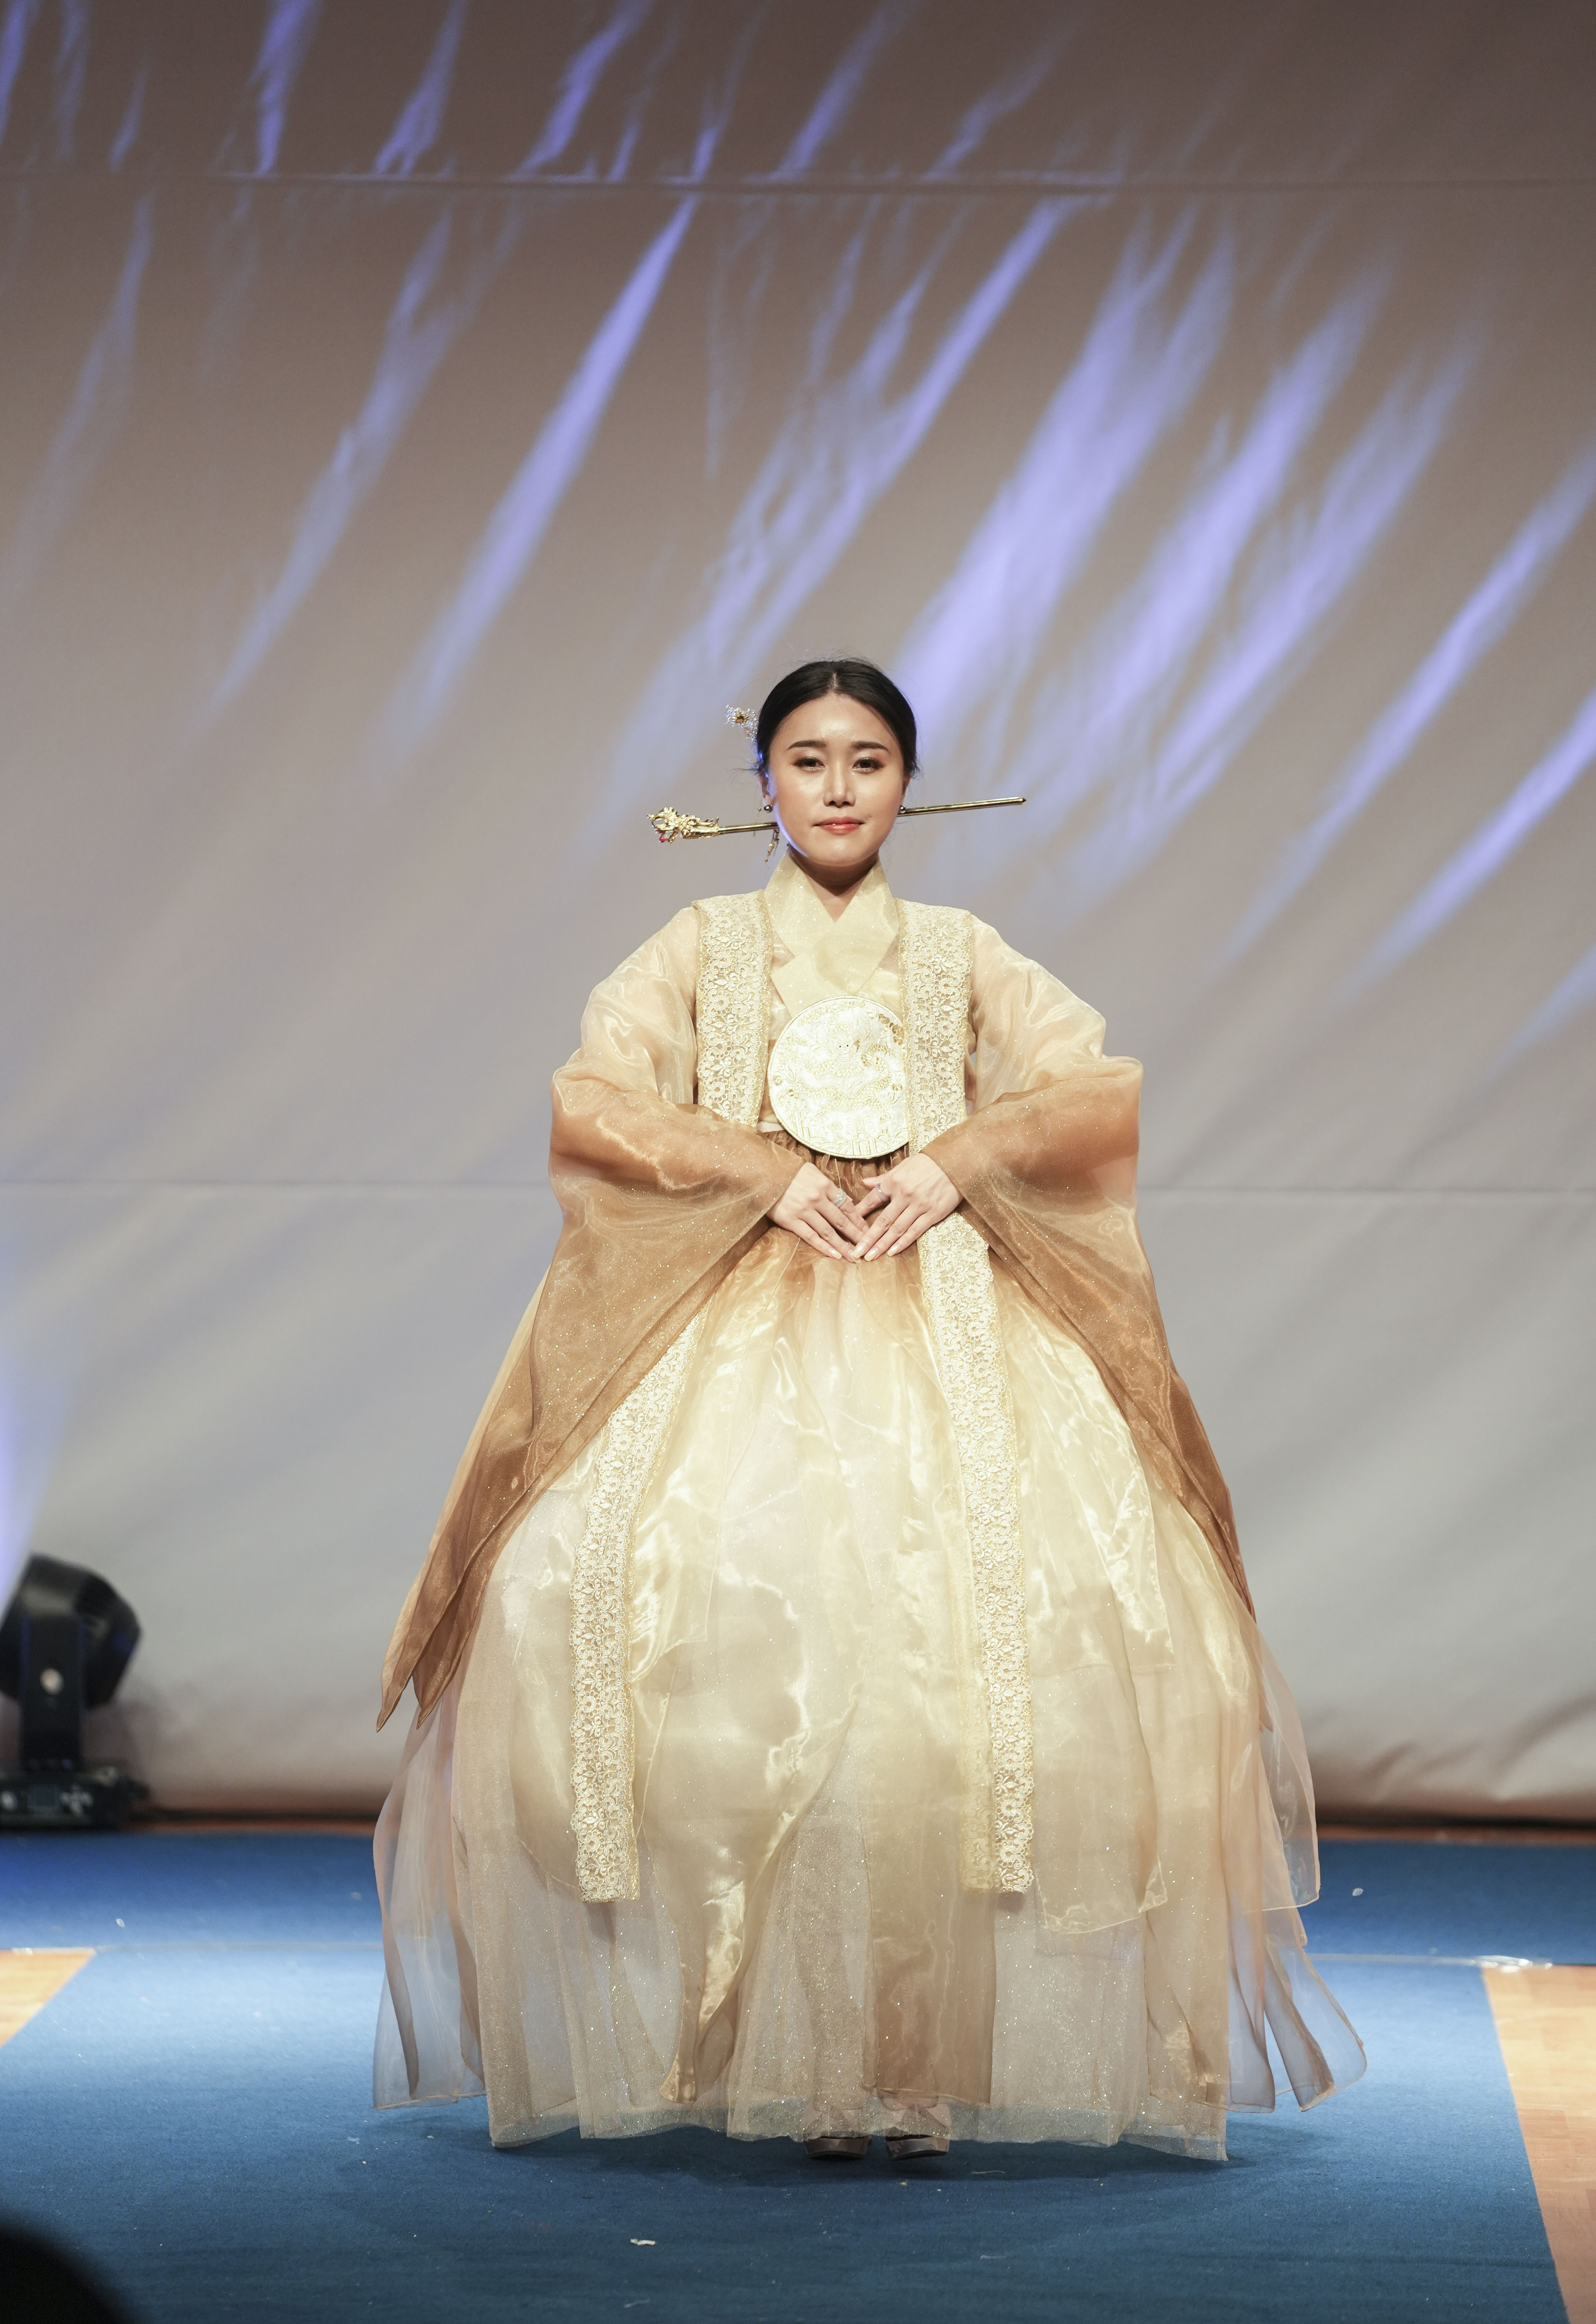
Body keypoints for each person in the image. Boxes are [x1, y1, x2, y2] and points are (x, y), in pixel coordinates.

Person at [372, 657, 1363, 2162]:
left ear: (910, 781)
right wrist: (759, 1171)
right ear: (761, 781)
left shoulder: (960, 953)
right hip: (733, 1319)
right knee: (709, 1650)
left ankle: (910, 2062)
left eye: (869, 760)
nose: (838, 789)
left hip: (946, 1315)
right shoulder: (698, 945)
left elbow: (1090, 1085)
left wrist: (955, 1162)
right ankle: (777, 2050)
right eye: (807, 759)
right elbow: (597, 1098)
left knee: (945, 1678)